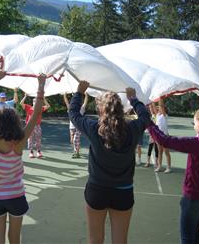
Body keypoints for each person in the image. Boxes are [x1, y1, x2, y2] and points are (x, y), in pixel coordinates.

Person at [69, 81, 150, 244]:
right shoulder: (132, 128)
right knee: (120, 241)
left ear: (100, 110)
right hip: (123, 191)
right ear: (120, 109)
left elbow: (74, 114)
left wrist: (79, 93)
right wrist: (133, 99)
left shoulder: (93, 128)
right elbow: (145, 116)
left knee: (95, 240)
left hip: (97, 190)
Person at [147, 105, 199, 244]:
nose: (194, 127)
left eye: (195, 123)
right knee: (194, 233)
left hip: (194, 198)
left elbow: (164, 140)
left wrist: (148, 122)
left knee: (187, 238)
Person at [0, 71, 46, 244]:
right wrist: (41, 86)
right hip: (16, 197)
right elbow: (34, 117)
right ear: (15, 121)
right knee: (14, 238)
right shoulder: (19, 143)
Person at [20, 93, 50, 158]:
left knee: (38, 138)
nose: (35, 102)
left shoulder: (40, 108)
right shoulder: (28, 107)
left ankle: (38, 151)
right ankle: (31, 152)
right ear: (33, 102)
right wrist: (25, 96)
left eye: (37, 101)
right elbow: (21, 103)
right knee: (30, 139)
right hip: (30, 126)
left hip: (37, 126)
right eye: (34, 101)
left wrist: (44, 98)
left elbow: (48, 106)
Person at [63, 92, 88, 158]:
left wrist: (86, 95)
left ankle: (77, 153)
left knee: (75, 139)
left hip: (78, 126)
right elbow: (66, 103)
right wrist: (65, 95)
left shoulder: (82, 108)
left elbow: (85, 102)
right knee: (72, 140)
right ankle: (76, 151)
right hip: (72, 126)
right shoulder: (71, 108)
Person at [154, 99, 172, 173]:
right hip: (159, 136)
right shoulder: (158, 115)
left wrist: (160, 97)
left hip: (165, 136)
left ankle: (168, 167)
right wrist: (152, 101)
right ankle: (159, 166)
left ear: (163, 109)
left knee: (166, 152)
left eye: (160, 108)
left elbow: (161, 105)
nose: (159, 108)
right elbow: (154, 107)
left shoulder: (165, 115)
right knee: (160, 151)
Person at [146, 103, 158, 168]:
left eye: (152, 108)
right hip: (151, 135)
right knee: (150, 148)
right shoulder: (152, 116)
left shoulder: (156, 115)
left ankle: (156, 163)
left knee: (156, 149)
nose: (151, 110)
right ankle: (148, 162)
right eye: (150, 109)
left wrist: (152, 103)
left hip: (156, 135)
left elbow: (154, 110)